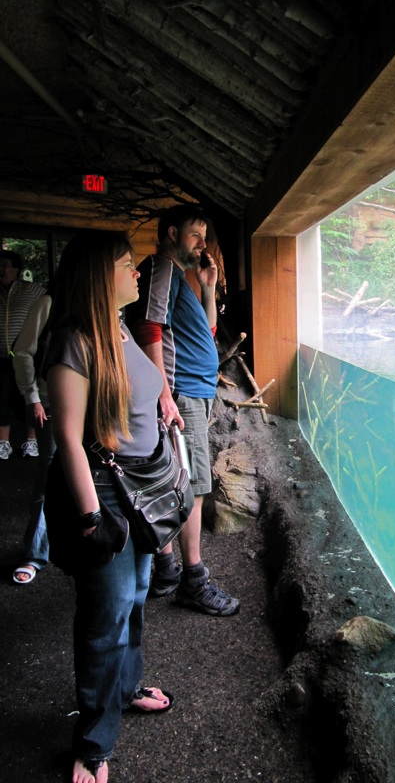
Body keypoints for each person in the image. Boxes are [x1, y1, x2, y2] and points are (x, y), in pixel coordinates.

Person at [44, 230, 173, 783]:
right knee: (105, 619)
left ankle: (127, 686)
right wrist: (93, 518)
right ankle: (93, 745)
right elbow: (69, 440)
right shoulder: (72, 341)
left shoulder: (117, 326)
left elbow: (140, 389)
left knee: (137, 598)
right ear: (102, 276)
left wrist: (164, 401)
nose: (137, 272)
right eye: (127, 264)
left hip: (142, 488)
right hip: (107, 495)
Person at [127, 204, 239, 616]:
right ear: (172, 233)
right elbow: (149, 328)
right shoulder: (159, 268)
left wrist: (208, 287)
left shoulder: (181, 279)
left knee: (180, 478)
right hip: (181, 393)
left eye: (206, 237)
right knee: (192, 485)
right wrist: (162, 391)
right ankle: (192, 578)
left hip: (194, 391)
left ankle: (169, 567)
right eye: (196, 235)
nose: (203, 244)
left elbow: (206, 333)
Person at [11, 288, 54, 583]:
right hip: (53, 402)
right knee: (50, 477)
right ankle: (36, 553)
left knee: (100, 475)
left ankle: (95, 546)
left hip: (96, 407)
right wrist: (32, 396)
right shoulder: (49, 303)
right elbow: (24, 350)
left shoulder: (108, 303)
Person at [0, 250, 45, 460]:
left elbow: (49, 305)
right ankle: (3, 444)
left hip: (27, 355)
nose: (1, 270)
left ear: (16, 270)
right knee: (2, 400)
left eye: (5, 266)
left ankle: (32, 442)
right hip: (2, 357)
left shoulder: (32, 290)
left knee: (30, 399)